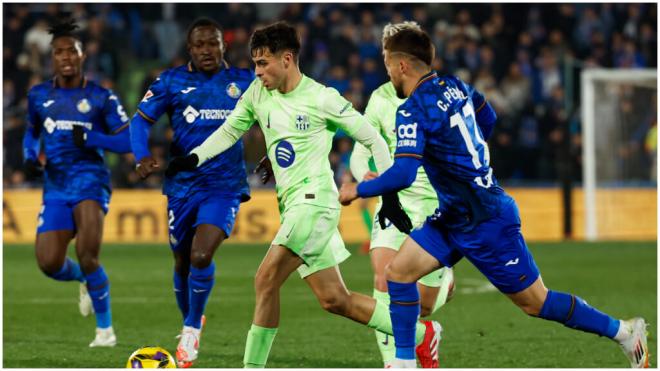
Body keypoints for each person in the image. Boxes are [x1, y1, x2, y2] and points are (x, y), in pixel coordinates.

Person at [339, 27, 649, 368]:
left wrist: (358, 189)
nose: (385, 71)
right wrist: (465, 156)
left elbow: (403, 174)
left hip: (488, 221)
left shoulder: (412, 109)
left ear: (400, 66)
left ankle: (624, 332)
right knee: (397, 274)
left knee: (536, 303)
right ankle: (403, 363)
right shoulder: (456, 86)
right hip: (454, 215)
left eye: (386, 63)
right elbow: (488, 116)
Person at [166, 22, 442, 368]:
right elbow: (229, 130)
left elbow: (371, 136)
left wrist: (387, 195)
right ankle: (421, 335)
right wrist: (193, 158)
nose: (258, 71)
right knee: (335, 299)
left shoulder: (321, 98)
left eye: (263, 63)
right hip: (294, 206)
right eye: (255, 63)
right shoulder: (257, 93)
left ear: (287, 59)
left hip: (315, 205)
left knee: (265, 279)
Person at [350, 21, 493, 367]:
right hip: (396, 202)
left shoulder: (440, 92)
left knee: (423, 306)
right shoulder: (380, 99)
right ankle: (395, 362)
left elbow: (482, 123)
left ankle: (428, 329)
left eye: (389, 56)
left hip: (436, 204)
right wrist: (361, 175)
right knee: (383, 281)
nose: (386, 64)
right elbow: (359, 151)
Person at [129, 18, 254, 368]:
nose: (206, 51)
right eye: (199, 45)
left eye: (212, 43)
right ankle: (193, 317)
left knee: (201, 255)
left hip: (224, 185)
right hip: (182, 186)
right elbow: (140, 121)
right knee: (182, 260)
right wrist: (141, 155)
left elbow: (275, 117)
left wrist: (276, 154)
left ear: (223, 45)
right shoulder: (170, 81)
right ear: (190, 49)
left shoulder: (244, 82)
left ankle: (190, 330)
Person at [22, 19, 132, 347]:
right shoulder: (38, 95)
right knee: (49, 262)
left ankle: (105, 332)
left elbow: (127, 140)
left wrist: (93, 137)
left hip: (90, 181)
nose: (66, 56)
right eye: (59, 52)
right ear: (51, 58)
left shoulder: (101, 97)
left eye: (72, 50)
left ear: (83, 55)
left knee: (87, 252)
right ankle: (84, 278)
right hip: (55, 186)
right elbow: (31, 133)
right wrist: (30, 157)